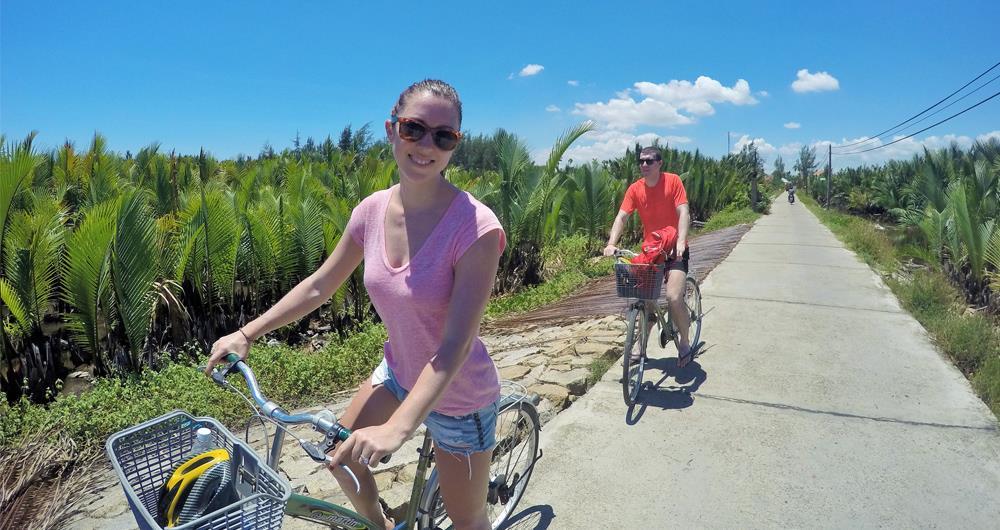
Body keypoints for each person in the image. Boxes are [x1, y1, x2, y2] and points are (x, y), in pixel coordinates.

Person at [204, 79, 505, 530]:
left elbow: (456, 344)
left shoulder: (476, 227)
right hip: (399, 372)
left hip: (460, 396)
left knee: (468, 520)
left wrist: (398, 428)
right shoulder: (371, 211)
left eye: (444, 136)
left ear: (455, 145)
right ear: (391, 129)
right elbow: (319, 285)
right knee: (338, 457)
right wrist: (247, 333)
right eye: (414, 129)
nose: (427, 145)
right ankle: (379, 524)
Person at [602, 146, 694, 367]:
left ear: (659, 163)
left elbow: (683, 211)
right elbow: (621, 217)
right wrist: (611, 243)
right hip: (651, 253)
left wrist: (681, 240)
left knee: (673, 297)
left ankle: (684, 341)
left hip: (674, 250)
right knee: (645, 300)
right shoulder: (635, 189)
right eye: (641, 161)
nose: (644, 165)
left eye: (649, 161)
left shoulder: (672, 182)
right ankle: (640, 345)